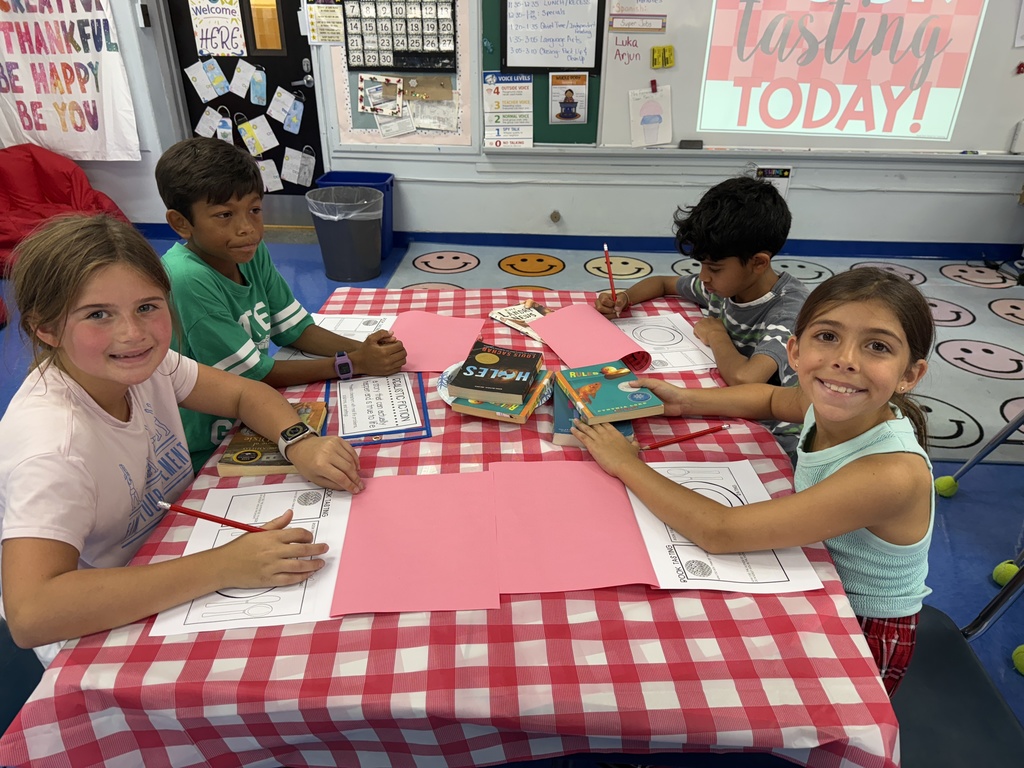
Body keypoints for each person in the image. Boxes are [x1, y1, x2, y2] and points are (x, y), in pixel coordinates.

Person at [0, 215, 364, 666]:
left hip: (173, 550)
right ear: (46, 328)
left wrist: (299, 440)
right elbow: (32, 613)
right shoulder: (53, 448)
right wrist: (223, 567)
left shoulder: (146, 366)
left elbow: (242, 391)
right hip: (97, 622)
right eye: (98, 315)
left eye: (148, 307)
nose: (133, 334)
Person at [575, 267, 934, 696]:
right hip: (811, 573)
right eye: (828, 336)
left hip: (857, 627)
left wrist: (625, 463)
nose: (846, 359)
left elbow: (719, 530)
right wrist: (683, 400)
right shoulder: (835, 399)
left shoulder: (891, 473)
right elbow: (770, 397)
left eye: (877, 346)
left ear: (910, 375)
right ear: (795, 351)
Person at [155, 137, 407, 472]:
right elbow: (259, 376)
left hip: (252, 415)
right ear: (180, 223)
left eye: (255, 210)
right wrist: (352, 363)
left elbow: (295, 330)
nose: (247, 228)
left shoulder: (249, 252)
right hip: (205, 449)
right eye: (225, 215)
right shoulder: (187, 280)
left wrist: (364, 349)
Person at [594, 175, 809, 456]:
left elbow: (746, 379)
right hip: (725, 403)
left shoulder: (790, 310)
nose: (704, 277)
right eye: (701, 266)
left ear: (758, 262)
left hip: (780, 432)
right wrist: (624, 298)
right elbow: (661, 282)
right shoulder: (723, 285)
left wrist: (717, 334)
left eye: (715, 268)